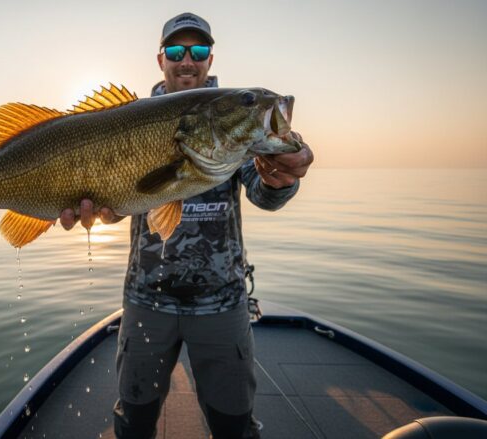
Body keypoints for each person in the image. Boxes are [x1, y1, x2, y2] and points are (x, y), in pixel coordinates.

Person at [60, 12, 314, 439]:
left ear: (210, 59)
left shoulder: (232, 123)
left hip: (221, 301)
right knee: (135, 418)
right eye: (177, 51)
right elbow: (122, 200)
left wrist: (283, 177)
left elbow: (263, 193)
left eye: (198, 51)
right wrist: (101, 207)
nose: (187, 61)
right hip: (146, 299)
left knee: (233, 423)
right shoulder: (130, 117)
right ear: (161, 59)